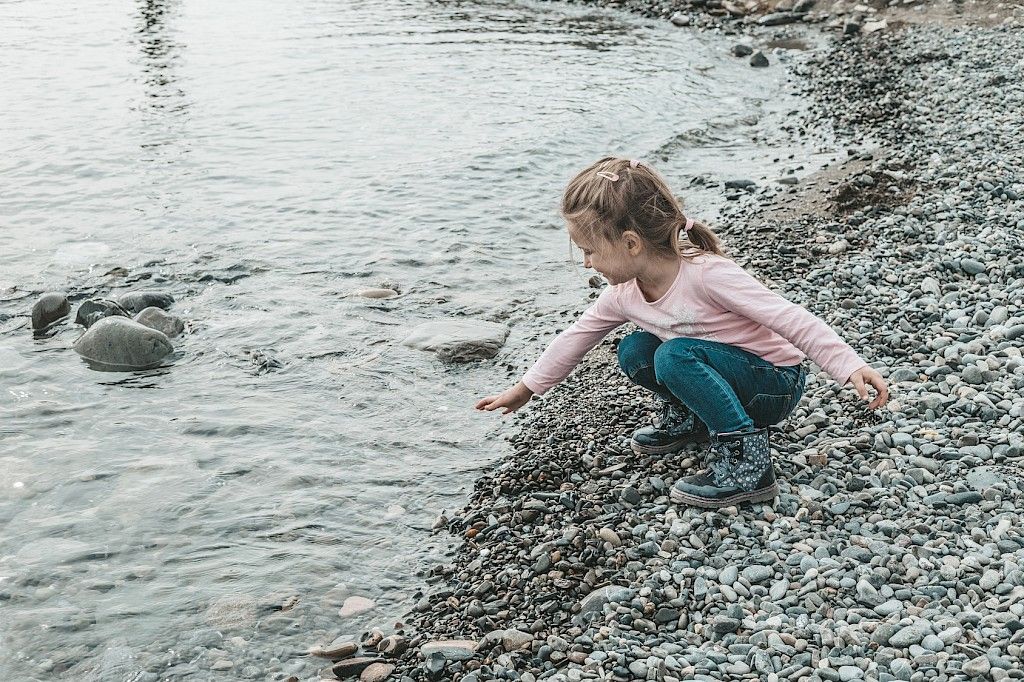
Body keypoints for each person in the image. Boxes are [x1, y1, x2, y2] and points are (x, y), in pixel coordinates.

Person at [475, 156, 888, 508]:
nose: (586, 264)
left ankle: (750, 465)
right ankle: (692, 419)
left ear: (632, 243)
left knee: (673, 355)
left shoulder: (708, 276)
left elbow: (789, 319)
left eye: (589, 251)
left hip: (773, 385)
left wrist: (847, 365)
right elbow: (575, 337)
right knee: (635, 348)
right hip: (722, 376)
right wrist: (525, 389)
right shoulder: (623, 294)